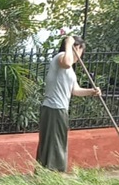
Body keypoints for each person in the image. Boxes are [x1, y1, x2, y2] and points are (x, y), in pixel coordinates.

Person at [37, 34, 101, 173]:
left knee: (57, 141)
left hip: (59, 109)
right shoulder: (61, 57)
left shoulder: (70, 69)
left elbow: (75, 90)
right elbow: (66, 62)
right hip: (53, 108)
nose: (81, 56)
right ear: (76, 48)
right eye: (80, 51)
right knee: (55, 143)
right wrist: (68, 43)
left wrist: (92, 91)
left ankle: (48, 172)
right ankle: (54, 172)